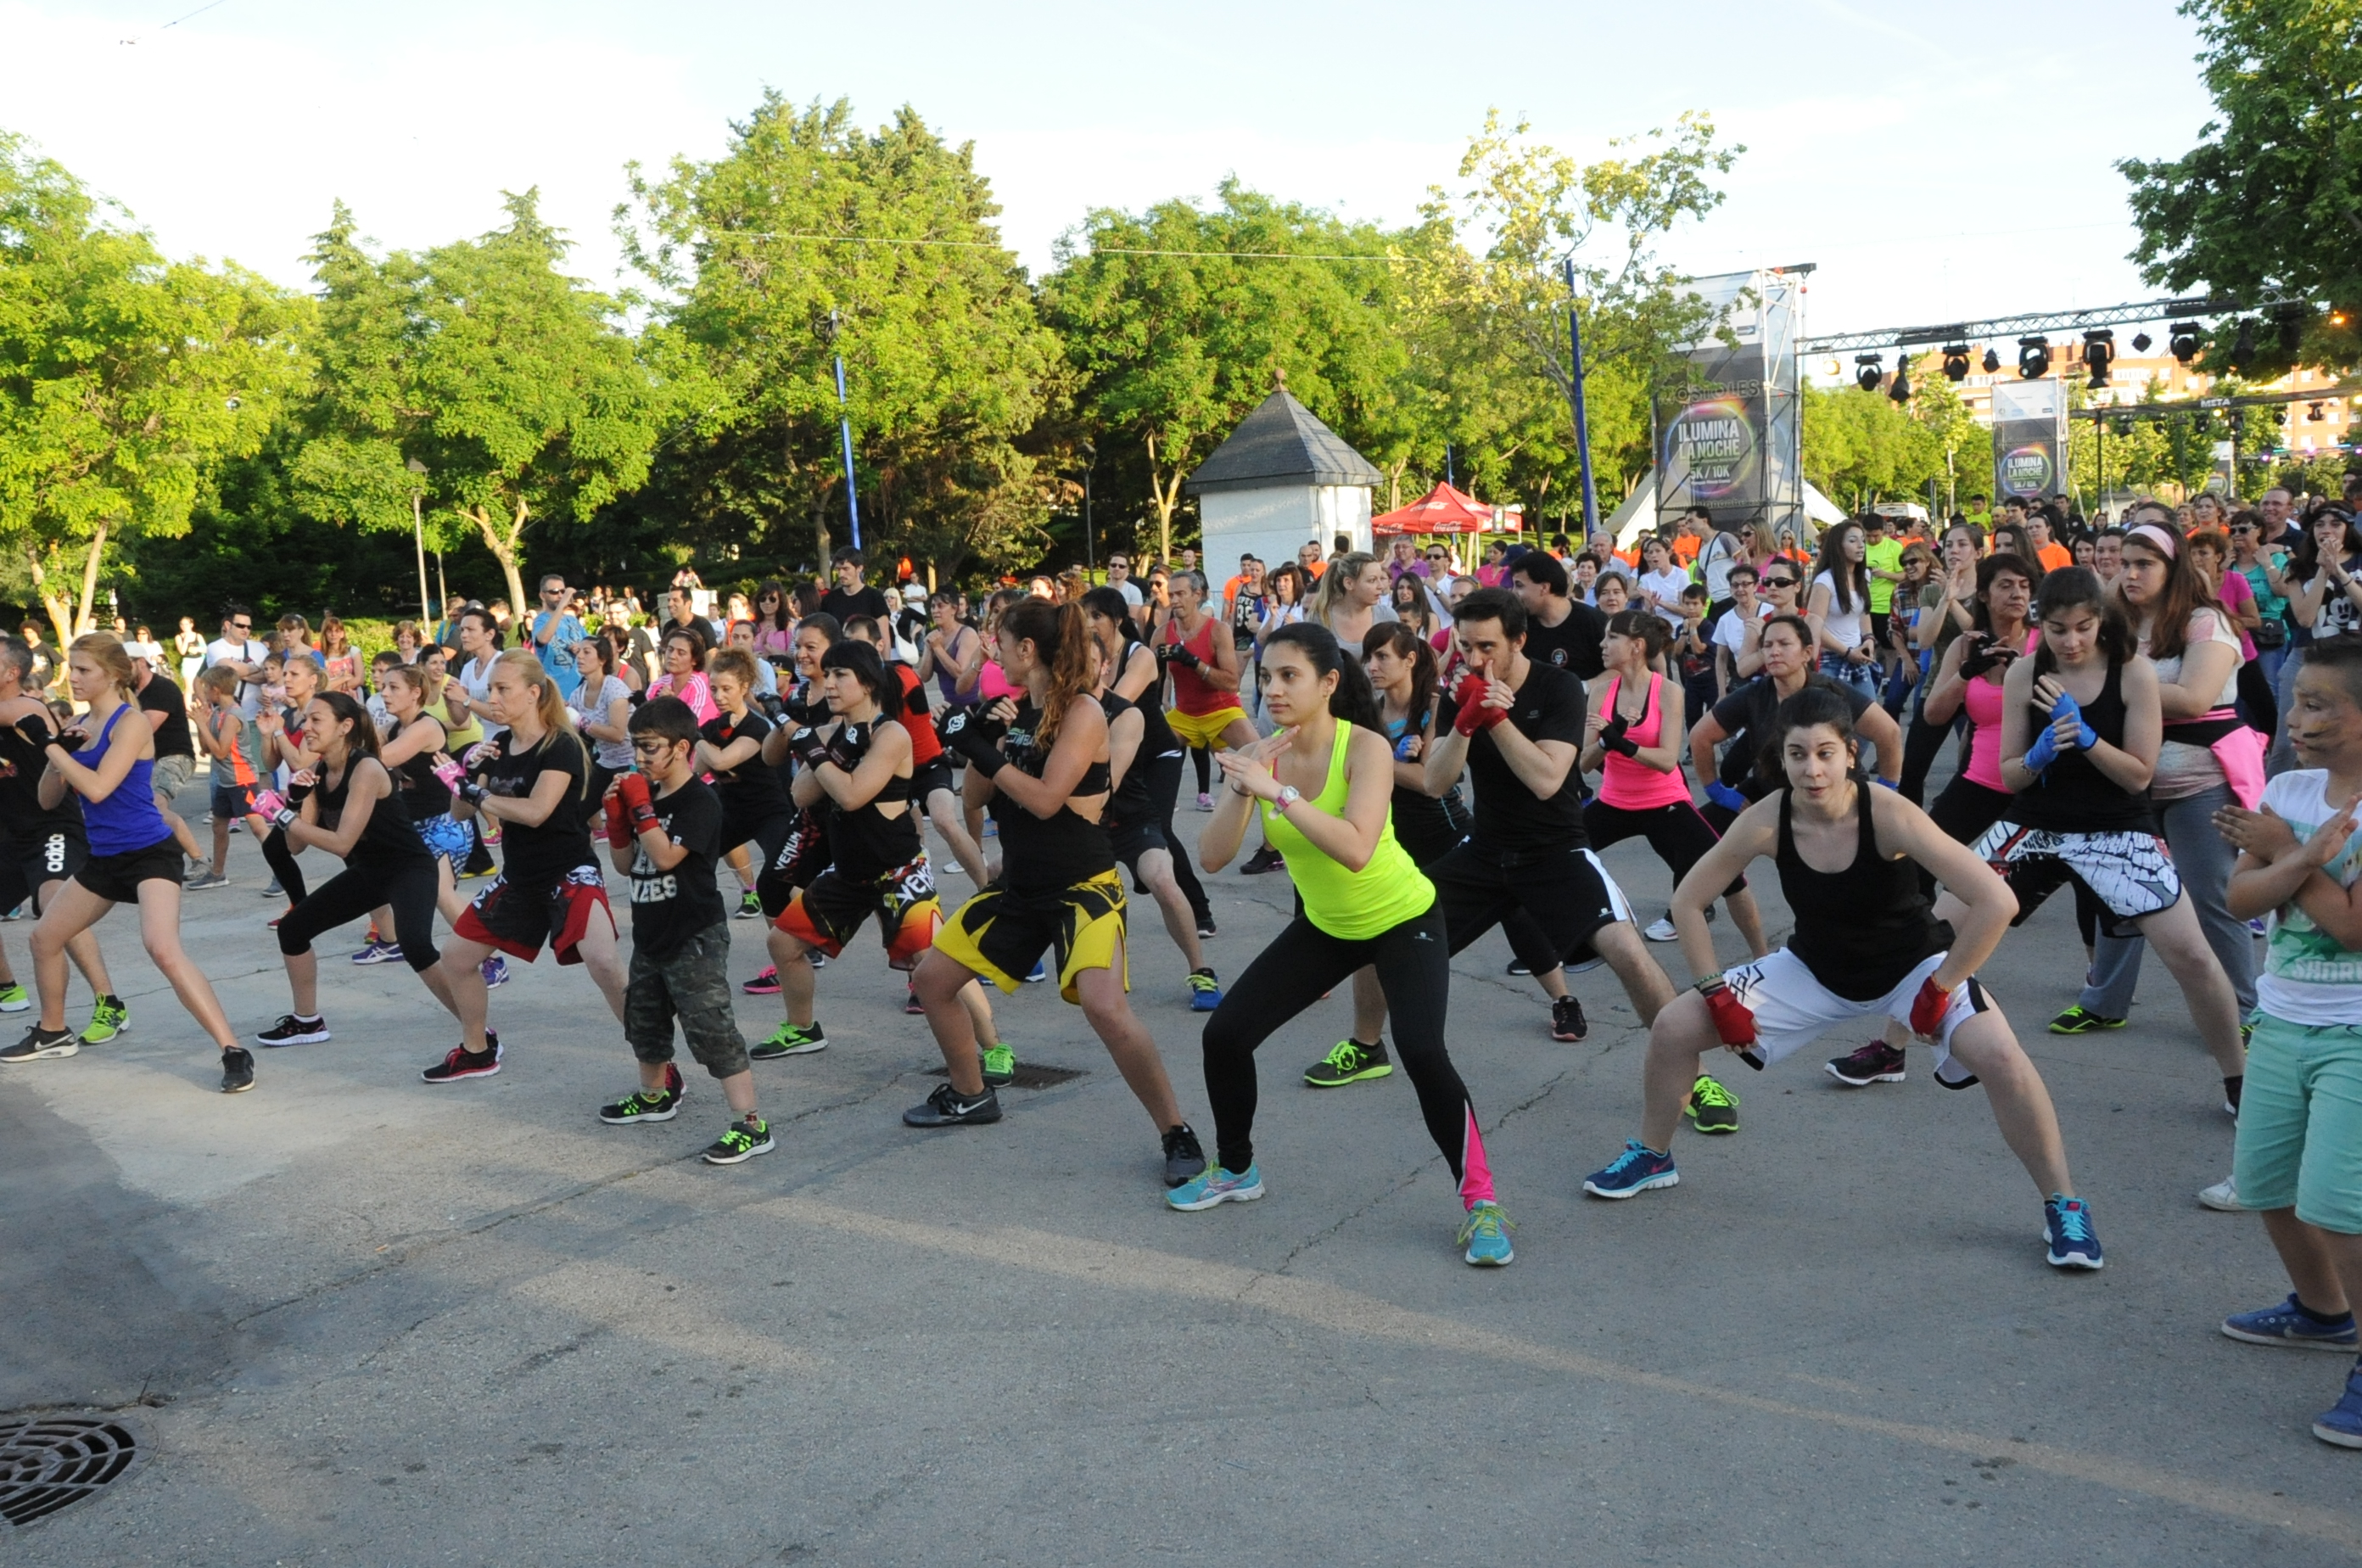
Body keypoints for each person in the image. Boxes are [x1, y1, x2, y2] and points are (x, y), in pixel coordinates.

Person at [1579, 686, 2104, 1273]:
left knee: (2003, 1057)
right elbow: (1688, 900)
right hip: (1814, 968)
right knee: (1676, 1026)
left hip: (1915, 968)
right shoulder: (1765, 820)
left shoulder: (1889, 813)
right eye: (1798, 754)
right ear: (1781, 758)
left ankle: (2064, 1204)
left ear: (1851, 754)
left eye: (1825, 753)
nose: (1812, 768)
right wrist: (1713, 992)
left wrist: (1940, 987)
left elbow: (1995, 901)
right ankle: (1654, 1156)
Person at [1178, 622, 1516, 1265]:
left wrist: (1277, 791)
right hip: (1329, 926)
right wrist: (1241, 783)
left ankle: (1481, 1204)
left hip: (1403, 916)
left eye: (1288, 676)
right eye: (1266, 677)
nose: (1272, 689)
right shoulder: (1265, 752)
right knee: (1225, 1035)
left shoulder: (1365, 748)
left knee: (1420, 1049)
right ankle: (1237, 1169)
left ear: (1329, 683)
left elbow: (1358, 849)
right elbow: (1214, 857)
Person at [911, 599, 1208, 1189]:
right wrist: (984, 732)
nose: (992, 651)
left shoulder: (1083, 713)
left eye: (1000, 641)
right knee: (932, 981)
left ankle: (1176, 1130)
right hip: (1021, 884)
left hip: (1082, 886)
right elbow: (974, 798)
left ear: (1028, 650)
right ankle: (971, 1094)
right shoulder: (1020, 708)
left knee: (1105, 1008)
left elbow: (1046, 800)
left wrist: (980, 749)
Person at [1967, 567, 2249, 1110]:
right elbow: (2010, 777)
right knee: (1938, 933)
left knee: (2191, 956)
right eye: (2057, 629)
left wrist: (2088, 738)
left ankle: (2240, 1080)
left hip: (2116, 827)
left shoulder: (2134, 672)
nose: (2070, 641)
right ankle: (1891, 1048)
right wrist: (2038, 754)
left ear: (2101, 620)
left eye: (2082, 627)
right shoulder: (2027, 672)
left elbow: (2140, 775)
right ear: (2039, 623)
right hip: (2036, 823)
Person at [2213, 636, 2362, 1446]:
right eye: (2295, 700)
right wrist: (2298, 852)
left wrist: (2286, 855)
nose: (2295, 719)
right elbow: (2239, 899)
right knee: (2266, 1184)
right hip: (2281, 1019)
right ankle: (2322, 1312)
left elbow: (2349, 928)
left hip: (2356, 1034)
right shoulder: (2292, 789)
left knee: (2339, 1208)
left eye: (2318, 705)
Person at [1415, 588, 1678, 1043]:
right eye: (1464, 645)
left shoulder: (1557, 687)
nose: (1474, 659)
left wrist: (1495, 719)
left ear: (1518, 640)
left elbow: (1547, 779)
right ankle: (1367, 1043)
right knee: (1391, 931)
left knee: (1630, 953)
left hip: (1555, 848)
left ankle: (1696, 1074)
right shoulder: (1465, 689)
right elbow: (1435, 782)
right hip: (1487, 850)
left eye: (1486, 647)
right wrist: (1463, 722)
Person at [0, 635, 249, 1092]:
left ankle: (233, 1050)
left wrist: (51, 747)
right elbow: (47, 797)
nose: (72, 678)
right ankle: (52, 1031)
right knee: (44, 938)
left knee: (162, 949)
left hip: (148, 853)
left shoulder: (129, 723)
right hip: (103, 858)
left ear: (112, 675)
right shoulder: (78, 723)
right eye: (71, 669)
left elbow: (98, 789)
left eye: (83, 671)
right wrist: (59, 756)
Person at [2046, 524, 2258, 1037]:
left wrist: (2109, 686)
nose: (2131, 572)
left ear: (2173, 568)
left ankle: (2247, 1012)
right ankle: (2105, 1001)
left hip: (2198, 783)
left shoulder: (2206, 621)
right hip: (2127, 783)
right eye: (2126, 562)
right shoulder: (2115, 623)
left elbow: (2195, 698)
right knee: (2118, 895)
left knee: (2212, 896)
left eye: (2145, 563)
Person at [425, 649, 625, 1083]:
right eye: (491, 689)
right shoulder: (496, 746)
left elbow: (537, 811)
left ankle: (656, 1057)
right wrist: (464, 774)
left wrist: (476, 795)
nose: (492, 698)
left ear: (533, 693)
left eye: (502, 689)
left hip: (569, 871)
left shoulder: (562, 744)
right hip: (520, 877)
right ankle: (477, 1050)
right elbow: (461, 813)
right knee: (457, 958)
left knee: (604, 963)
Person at [590, 696, 774, 1165]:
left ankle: (751, 1123)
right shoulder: (645, 797)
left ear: (682, 748)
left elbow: (670, 855)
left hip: (694, 933)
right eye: (637, 748)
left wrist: (639, 808)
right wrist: (617, 823)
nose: (641, 758)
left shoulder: (700, 800)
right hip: (652, 930)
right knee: (644, 1022)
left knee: (710, 1026)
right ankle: (654, 1096)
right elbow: (629, 865)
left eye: (651, 747)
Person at [249, 692, 459, 1047]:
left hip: (409, 868)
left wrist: (282, 816)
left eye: (317, 720)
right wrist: (295, 802)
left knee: (417, 947)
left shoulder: (367, 768)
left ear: (345, 726)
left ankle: (477, 1030)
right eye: (306, 719)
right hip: (372, 870)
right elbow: (296, 845)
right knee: (293, 929)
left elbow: (342, 843)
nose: (306, 727)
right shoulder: (317, 772)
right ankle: (307, 1022)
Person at [1583, 609, 1769, 966]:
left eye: (1611, 637)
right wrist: (1607, 740)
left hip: (1664, 803)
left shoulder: (1667, 691)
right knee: (1558, 854)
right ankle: (1563, 945)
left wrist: (1621, 742)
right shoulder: (1600, 693)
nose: (1603, 644)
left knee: (1728, 873)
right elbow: (1583, 762)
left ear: (1636, 646)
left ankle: (1763, 956)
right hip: (1614, 802)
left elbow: (1668, 759)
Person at [1081, 591, 1222, 1011]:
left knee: (1160, 866)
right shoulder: (1060, 703)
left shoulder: (1134, 666)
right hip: (1096, 808)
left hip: (1150, 761)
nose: (1089, 624)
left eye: (1096, 617)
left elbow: (1114, 709)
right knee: (1020, 873)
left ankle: (1201, 965)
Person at [0, 638, 122, 1039]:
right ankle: (8, 988)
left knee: (56, 909)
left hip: (53, 829)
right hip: (11, 833)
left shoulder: (27, 709)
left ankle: (109, 1005)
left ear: (11, 673)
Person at [1689, 615, 1903, 834]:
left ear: (1807, 653)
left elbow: (1889, 733)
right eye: (1767, 645)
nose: (1774, 651)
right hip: (1773, 790)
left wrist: (1887, 791)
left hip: (1834, 795)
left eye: (1784, 644)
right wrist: (1718, 792)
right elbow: (1700, 737)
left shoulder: (1832, 691)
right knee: (1697, 836)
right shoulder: (1754, 695)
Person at [1161, 570, 1265, 857]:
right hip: (1184, 715)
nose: (1175, 600)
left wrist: (1194, 663)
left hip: (1222, 711)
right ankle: (1154, 835)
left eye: (1181, 594)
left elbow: (1231, 682)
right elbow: (1148, 672)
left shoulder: (1217, 629)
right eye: (1171, 594)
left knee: (1262, 760)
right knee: (1142, 755)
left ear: (1197, 595)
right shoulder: (1164, 631)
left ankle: (1273, 846)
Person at [696, 647, 798, 921]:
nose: (719, 696)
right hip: (732, 814)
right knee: (692, 860)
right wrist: (705, 738)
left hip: (768, 813)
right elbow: (697, 771)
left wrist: (694, 737)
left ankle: (802, 940)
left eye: (726, 689)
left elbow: (719, 761)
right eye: (714, 689)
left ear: (744, 688)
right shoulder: (712, 728)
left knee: (780, 880)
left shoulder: (756, 727)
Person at [1508, 550, 1607, 680]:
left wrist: (1584, 688)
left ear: (1544, 588)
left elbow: (1619, 668)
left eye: (1519, 585)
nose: (1513, 592)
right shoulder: (1520, 625)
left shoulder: (1593, 621)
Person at [1808, 520, 1878, 697]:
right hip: (1830, 662)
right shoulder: (1825, 581)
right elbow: (1815, 626)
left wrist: (1869, 639)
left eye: (1862, 540)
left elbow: (1863, 613)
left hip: (1858, 659)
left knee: (1871, 718)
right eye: (1853, 541)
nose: (1861, 545)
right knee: (1834, 719)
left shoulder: (1865, 576)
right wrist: (1846, 652)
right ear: (1838, 546)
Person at [529, 572, 588, 700]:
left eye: (563, 591)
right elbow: (543, 639)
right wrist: (563, 604)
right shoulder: (540, 621)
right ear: (542, 595)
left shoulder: (572, 620)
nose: (560, 595)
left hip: (581, 689)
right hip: (557, 692)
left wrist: (581, 647)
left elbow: (592, 643)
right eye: (554, 592)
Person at [817, 547, 891, 626]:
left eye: (846, 569)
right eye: (838, 569)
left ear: (859, 568)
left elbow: (884, 636)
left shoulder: (874, 597)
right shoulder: (829, 600)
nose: (841, 574)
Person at [1633, 536, 1690, 632]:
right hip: (1657, 628)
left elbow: (1685, 611)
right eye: (1650, 552)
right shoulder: (1646, 579)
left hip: (1678, 627)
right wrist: (1651, 607)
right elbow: (1648, 613)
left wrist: (1660, 603)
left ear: (1668, 553)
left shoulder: (1681, 575)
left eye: (1658, 551)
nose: (1653, 555)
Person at [173, 617, 206, 692]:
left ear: (191, 625)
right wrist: (186, 640)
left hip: (199, 662)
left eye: (186, 624)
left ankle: (200, 703)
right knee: (189, 689)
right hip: (188, 662)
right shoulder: (178, 637)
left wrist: (198, 649)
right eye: (182, 624)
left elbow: (206, 649)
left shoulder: (198, 636)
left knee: (201, 687)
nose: (184, 626)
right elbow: (182, 652)